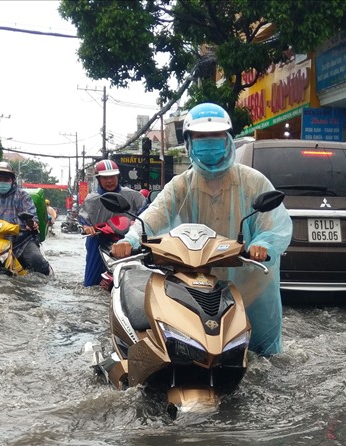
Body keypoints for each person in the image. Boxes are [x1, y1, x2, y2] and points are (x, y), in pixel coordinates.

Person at [111, 102, 292, 356]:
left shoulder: (253, 181)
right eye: (201, 138)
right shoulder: (181, 185)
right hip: (195, 280)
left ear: (228, 139)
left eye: (215, 137)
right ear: (189, 143)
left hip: (249, 285)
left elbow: (274, 224)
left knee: (262, 361)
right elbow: (153, 215)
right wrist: (130, 239)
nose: (209, 143)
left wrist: (263, 244)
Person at [0, 161, 53, 275]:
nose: (2, 182)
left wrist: (31, 224)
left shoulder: (22, 196)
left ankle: (48, 279)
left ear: (12, 180)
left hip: (20, 241)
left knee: (37, 260)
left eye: (6, 179)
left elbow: (32, 216)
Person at [79, 159, 147, 287]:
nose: (109, 181)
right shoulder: (91, 199)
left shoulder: (134, 196)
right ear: (98, 179)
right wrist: (87, 228)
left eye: (112, 177)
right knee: (90, 284)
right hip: (98, 239)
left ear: (118, 177)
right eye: (105, 178)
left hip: (128, 239)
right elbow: (84, 220)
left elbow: (146, 216)